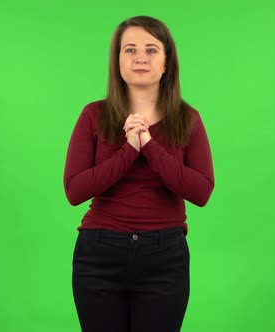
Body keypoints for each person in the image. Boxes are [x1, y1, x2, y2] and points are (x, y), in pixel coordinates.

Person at [63, 15, 214, 332]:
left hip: (165, 258)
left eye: (151, 49)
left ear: (166, 62)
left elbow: (201, 192)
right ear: (117, 61)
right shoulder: (94, 115)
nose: (140, 57)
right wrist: (129, 148)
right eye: (129, 49)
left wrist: (148, 144)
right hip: (99, 255)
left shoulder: (188, 119)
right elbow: (75, 191)